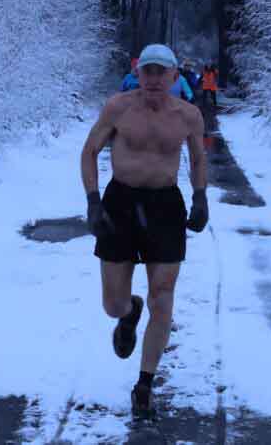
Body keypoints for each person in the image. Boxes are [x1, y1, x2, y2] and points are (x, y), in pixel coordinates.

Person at [80, 43, 209, 418]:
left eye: (161, 72)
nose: (153, 79)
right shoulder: (118, 108)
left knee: (163, 296)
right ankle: (128, 312)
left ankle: (144, 384)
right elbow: (89, 151)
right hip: (120, 203)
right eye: (147, 71)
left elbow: (199, 157)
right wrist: (92, 201)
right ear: (138, 73)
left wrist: (200, 196)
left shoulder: (188, 115)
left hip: (165, 206)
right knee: (112, 304)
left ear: (174, 76)